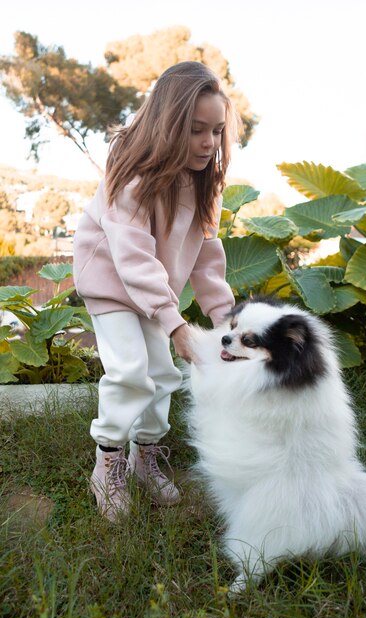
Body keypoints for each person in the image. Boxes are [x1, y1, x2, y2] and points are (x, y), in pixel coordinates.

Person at [72, 61, 239, 522]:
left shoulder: (206, 181)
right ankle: (109, 461)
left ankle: (145, 456)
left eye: (217, 131)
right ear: (168, 126)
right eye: (196, 130)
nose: (209, 143)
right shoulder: (132, 175)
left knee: (163, 374)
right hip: (111, 281)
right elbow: (132, 258)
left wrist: (226, 318)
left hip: (151, 287)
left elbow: (206, 254)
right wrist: (176, 323)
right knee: (129, 369)